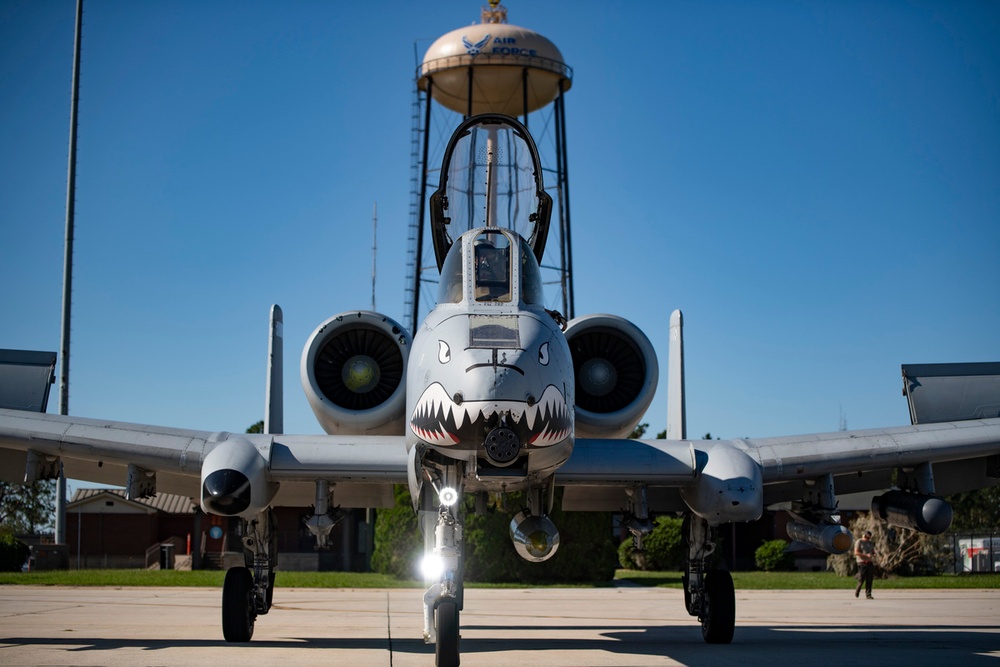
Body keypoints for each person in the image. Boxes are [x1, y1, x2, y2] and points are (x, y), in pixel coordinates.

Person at [854, 530, 877, 599]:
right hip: (862, 562)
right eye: (867, 537)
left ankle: (868, 594)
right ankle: (857, 590)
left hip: (869, 562)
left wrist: (874, 554)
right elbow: (856, 552)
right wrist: (866, 555)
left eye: (869, 537)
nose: (867, 539)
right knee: (861, 578)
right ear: (864, 535)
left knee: (869, 579)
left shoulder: (870, 543)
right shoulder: (859, 542)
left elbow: (872, 551)